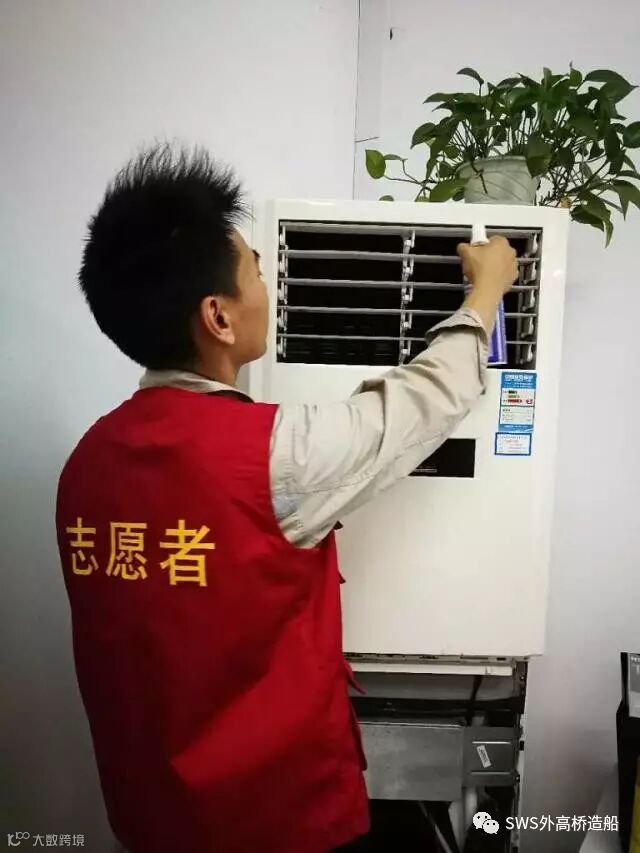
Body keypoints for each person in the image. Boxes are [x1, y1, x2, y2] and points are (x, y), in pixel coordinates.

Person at [56, 145, 517, 853]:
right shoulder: (275, 456)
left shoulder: (85, 463)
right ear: (218, 317)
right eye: (255, 270)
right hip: (277, 818)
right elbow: (414, 407)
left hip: (150, 815)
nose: (269, 284)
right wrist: (485, 295)